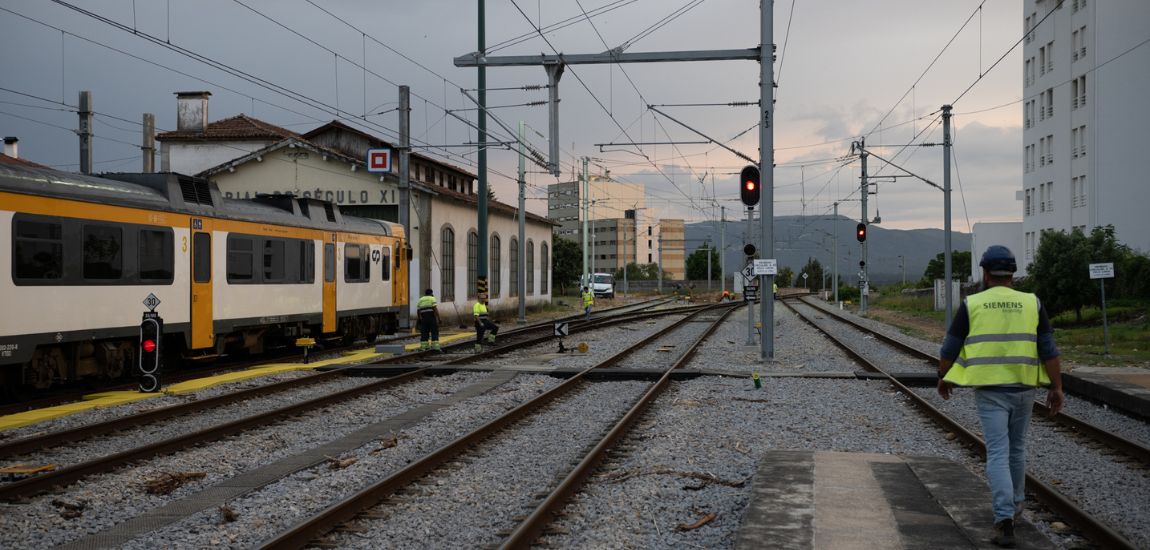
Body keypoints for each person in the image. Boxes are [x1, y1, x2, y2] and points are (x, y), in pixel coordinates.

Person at [937, 245, 1063, 548]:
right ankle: (1016, 505)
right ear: (1013, 274)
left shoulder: (973, 304)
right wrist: (1057, 387)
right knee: (1016, 449)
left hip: (991, 390)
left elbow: (950, 347)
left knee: (997, 452)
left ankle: (1005, 518)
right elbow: (1048, 349)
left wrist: (943, 376)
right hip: (1024, 388)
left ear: (985, 273)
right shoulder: (1032, 302)